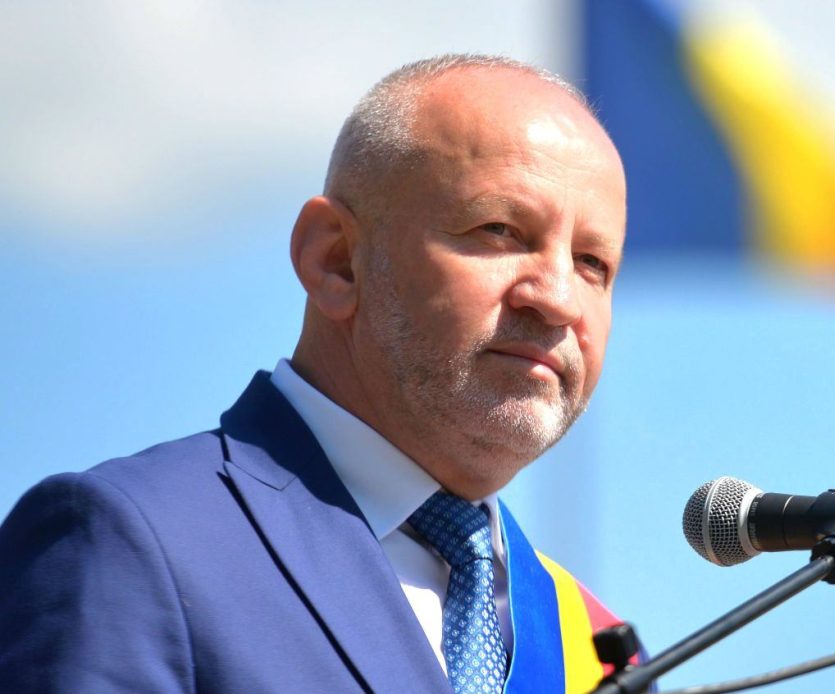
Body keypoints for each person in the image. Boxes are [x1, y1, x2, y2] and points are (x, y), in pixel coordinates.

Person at [0, 54, 629, 693]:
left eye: (593, 264)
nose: (559, 299)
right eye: (499, 230)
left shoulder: (594, 646)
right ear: (337, 260)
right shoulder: (132, 542)